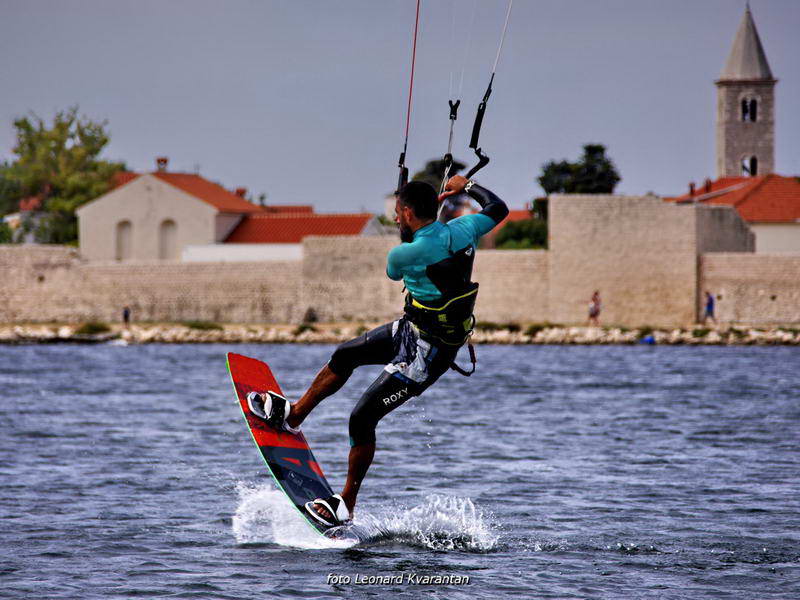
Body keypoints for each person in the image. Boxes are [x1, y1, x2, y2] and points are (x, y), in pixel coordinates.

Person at [246, 175, 508, 528]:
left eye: (399, 214)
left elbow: (392, 272)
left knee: (362, 417)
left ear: (411, 213)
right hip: (411, 328)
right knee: (345, 355)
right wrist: (468, 186)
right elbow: (498, 208)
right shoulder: (465, 228)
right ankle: (295, 415)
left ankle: (346, 504)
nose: (396, 219)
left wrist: (415, 230)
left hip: (428, 353)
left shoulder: (405, 252)